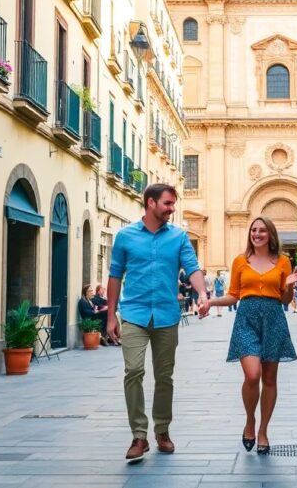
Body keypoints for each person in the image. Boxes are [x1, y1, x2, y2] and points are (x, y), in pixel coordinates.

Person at [107, 183, 209, 463]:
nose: (172, 209)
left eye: (173, 204)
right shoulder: (125, 236)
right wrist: (110, 316)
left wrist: (201, 294)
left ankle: (162, 430)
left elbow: (192, 268)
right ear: (150, 203)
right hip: (134, 315)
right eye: (167, 203)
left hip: (166, 316)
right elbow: (115, 276)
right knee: (133, 371)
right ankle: (139, 436)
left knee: (164, 377)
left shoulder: (178, 237)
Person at [208, 216, 297, 454]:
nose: (257, 234)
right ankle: (250, 421)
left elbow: (284, 300)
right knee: (253, 375)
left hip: (274, 319)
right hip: (246, 319)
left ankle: (263, 430)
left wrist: (290, 284)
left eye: (262, 230)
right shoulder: (240, 261)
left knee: (270, 379)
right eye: (254, 230)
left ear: (271, 234)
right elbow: (234, 295)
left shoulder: (283, 261)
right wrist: (210, 302)